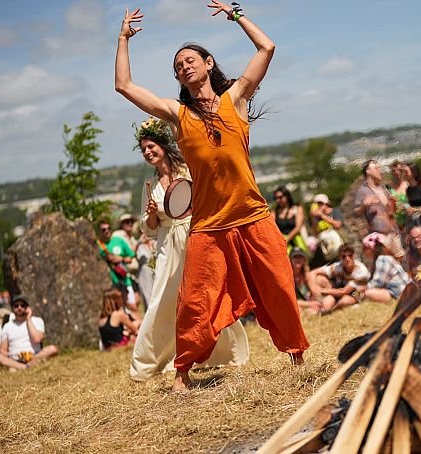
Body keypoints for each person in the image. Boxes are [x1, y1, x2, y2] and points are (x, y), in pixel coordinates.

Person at [115, 2, 309, 391]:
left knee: (280, 287)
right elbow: (125, 86)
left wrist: (236, 15)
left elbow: (267, 47)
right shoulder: (177, 114)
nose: (184, 67)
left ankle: (296, 355)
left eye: (190, 60)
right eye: (178, 66)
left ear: (208, 63)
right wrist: (123, 39)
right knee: (195, 301)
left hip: (253, 216)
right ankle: (183, 372)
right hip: (209, 225)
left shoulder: (236, 99)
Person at [130, 117, 249, 381]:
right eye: (143, 149)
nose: (147, 152)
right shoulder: (149, 185)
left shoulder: (187, 170)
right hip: (167, 242)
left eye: (151, 147)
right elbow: (150, 228)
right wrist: (152, 213)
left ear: (162, 146)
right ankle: (154, 358)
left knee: (204, 292)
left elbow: (207, 198)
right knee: (164, 296)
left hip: (194, 233)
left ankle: (221, 350)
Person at [0, 296, 58, 370]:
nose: (19, 308)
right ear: (12, 308)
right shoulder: (7, 326)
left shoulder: (37, 321)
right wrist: (12, 356)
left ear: (27, 307)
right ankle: (23, 367)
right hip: (14, 358)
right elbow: (2, 350)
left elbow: (37, 339)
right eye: (16, 306)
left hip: (34, 356)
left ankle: (26, 365)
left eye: (22, 305)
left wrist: (28, 319)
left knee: (52, 349)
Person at [353, 160, 404, 259]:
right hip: (379, 237)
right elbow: (356, 212)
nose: (379, 171)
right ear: (368, 171)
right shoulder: (362, 191)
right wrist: (364, 205)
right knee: (385, 262)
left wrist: (395, 204)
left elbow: (393, 206)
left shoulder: (383, 188)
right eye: (376, 168)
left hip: (394, 232)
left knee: (400, 261)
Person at [307, 244, 370, 314]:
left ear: (354, 256)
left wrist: (320, 291)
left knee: (345, 301)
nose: (347, 259)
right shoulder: (338, 266)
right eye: (344, 256)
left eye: (350, 255)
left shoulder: (361, 272)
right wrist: (313, 289)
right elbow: (312, 272)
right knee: (320, 279)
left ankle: (330, 311)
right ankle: (316, 304)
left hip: (355, 295)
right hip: (338, 291)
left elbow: (344, 291)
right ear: (340, 258)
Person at [96, 218, 139, 314]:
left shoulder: (119, 241)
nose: (106, 231)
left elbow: (131, 257)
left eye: (108, 228)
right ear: (99, 231)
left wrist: (121, 259)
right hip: (109, 285)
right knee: (116, 312)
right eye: (103, 229)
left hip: (124, 281)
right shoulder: (98, 245)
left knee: (133, 308)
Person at [359, 233, 411, 303]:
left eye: (365, 248)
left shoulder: (382, 259)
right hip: (400, 291)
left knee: (368, 293)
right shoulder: (381, 259)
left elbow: (377, 283)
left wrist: (363, 289)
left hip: (400, 293)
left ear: (371, 249)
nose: (363, 251)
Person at [309, 193, 343, 268]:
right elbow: (315, 232)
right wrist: (314, 218)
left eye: (320, 203)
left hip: (340, 246)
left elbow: (337, 225)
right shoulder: (317, 217)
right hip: (327, 250)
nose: (319, 206)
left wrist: (322, 216)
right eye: (317, 204)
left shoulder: (335, 211)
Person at [273, 186, 309, 254]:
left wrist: (286, 239)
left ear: (287, 196)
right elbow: (273, 228)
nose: (278, 200)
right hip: (282, 244)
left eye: (280, 197)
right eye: (276, 198)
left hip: (297, 242)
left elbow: (298, 228)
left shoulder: (297, 208)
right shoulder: (274, 212)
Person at [290, 248, 321, 315]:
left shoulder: (307, 275)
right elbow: (290, 301)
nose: (298, 259)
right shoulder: (288, 277)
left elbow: (315, 294)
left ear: (304, 259)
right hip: (297, 305)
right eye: (295, 257)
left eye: (300, 257)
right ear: (290, 260)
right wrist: (310, 304)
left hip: (308, 304)